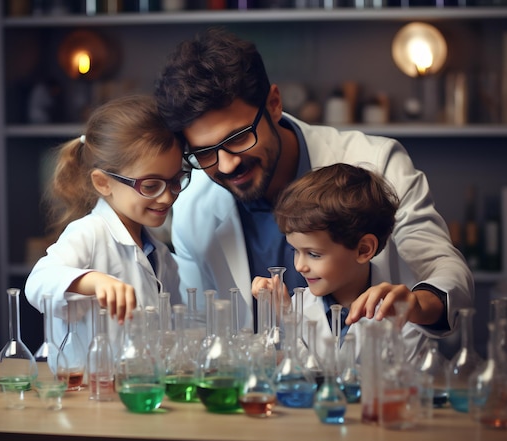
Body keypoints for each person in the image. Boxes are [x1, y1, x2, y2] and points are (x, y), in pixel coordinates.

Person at [154, 27, 473, 341]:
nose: (226, 164)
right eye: (205, 152)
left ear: (274, 104)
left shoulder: (376, 162)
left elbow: (444, 270)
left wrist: (417, 304)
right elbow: (198, 325)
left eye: (238, 138)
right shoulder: (192, 205)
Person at [25, 94, 187, 362]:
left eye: (175, 181)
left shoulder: (160, 254)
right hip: (86, 392)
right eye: (150, 186)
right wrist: (94, 281)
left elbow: (175, 326)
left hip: (138, 390)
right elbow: (38, 284)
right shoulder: (88, 233)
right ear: (103, 183)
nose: (167, 196)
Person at [252, 162, 431, 362]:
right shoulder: (294, 309)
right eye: (295, 251)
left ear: (363, 249)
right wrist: (286, 317)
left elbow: (409, 382)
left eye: (314, 254)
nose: (299, 266)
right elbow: (298, 378)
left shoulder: (403, 313)